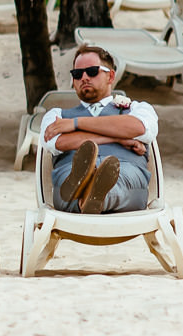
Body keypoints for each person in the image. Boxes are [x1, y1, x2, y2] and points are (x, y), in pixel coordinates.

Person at [40, 43, 158, 214]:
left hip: (124, 170)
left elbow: (138, 128)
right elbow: (58, 143)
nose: (84, 78)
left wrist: (76, 124)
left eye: (92, 71)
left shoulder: (137, 109)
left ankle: (88, 195)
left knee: (118, 180)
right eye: (78, 74)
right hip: (71, 172)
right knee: (69, 179)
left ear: (110, 76)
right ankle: (90, 192)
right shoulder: (56, 115)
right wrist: (118, 137)